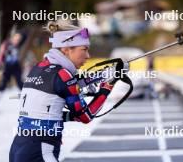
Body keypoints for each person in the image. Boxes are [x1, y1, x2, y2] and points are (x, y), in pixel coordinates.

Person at [9, 21, 126, 162]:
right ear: (66, 49)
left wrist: (107, 72)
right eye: (84, 49)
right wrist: (108, 86)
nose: (88, 56)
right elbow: (86, 116)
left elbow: (53, 109)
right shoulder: (63, 75)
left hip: (19, 147)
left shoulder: (40, 66)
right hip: (40, 151)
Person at [0, 32, 24, 112]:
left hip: (16, 67)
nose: (17, 41)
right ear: (12, 37)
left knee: (20, 85)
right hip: (8, 67)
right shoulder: (6, 44)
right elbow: (1, 55)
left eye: (18, 39)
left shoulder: (17, 45)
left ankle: (27, 104)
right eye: (16, 38)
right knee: (3, 85)